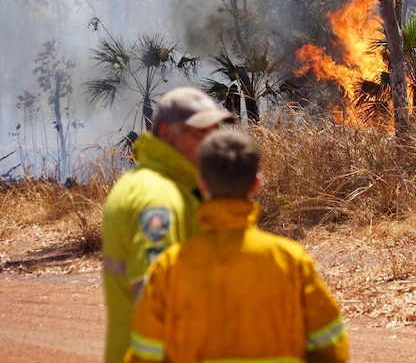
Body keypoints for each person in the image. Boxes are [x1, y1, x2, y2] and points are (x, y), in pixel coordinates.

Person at [126, 130, 349, 363]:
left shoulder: (169, 267)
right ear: (256, 184)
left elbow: (144, 356)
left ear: (202, 184)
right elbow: (332, 349)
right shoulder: (291, 260)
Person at [101, 86, 235, 363]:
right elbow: (154, 297)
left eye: (214, 131)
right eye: (199, 133)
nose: (211, 141)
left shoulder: (164, 186)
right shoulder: (158, 197)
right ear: (165, 134)